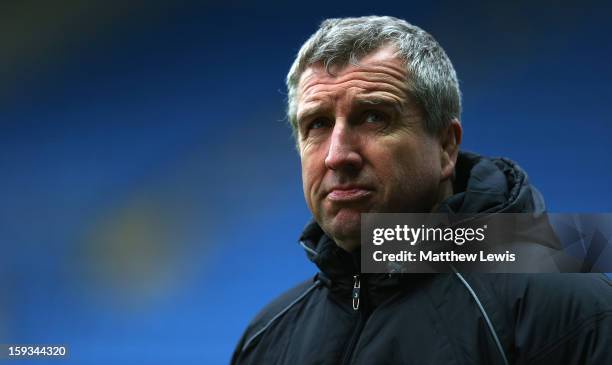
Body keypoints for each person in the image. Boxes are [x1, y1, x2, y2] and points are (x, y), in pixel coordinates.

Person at [231, 16, 612, 364]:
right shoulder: (266, 340)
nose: (337, 155)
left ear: (446, 146)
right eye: (317, 124)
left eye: (374, 116)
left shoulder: (572, 304)